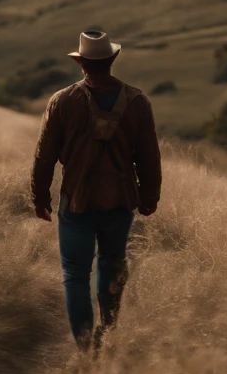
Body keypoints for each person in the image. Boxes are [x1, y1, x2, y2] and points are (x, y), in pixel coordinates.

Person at [31, 29, 161, 349]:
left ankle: (86, 349)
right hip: (120, 201)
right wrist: (149, 198)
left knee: (75, 276)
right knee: (112, 263)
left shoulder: (61, 101)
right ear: (112, 60)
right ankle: (109, 331)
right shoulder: (137, 101)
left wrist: (40, 197)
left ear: (81, 64)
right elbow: (148, 157)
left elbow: (44, 156)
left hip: (76, 201)